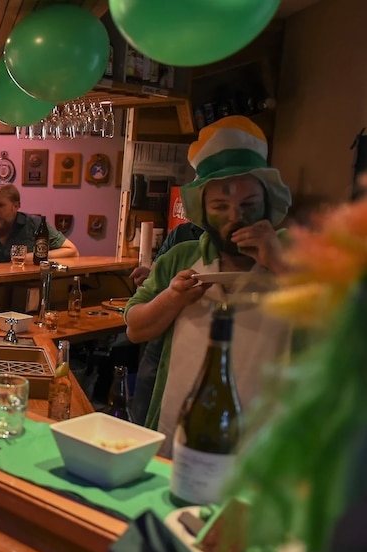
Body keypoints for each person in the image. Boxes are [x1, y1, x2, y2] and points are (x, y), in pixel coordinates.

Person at [124, 116, 293, 457]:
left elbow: (341, 325)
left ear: (267, 204)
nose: (235, 217)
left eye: (248, 206)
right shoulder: (182, 256)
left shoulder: (301, 255)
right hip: (177, 424)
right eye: (220, 207)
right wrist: (172, 298)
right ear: (203, 210)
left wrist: (278, 262)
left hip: (268, 438)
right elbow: (135, 328)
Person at [127, 222, 204, 425]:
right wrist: (154, 278)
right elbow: (133, 326)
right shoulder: (182, 242)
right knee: (142, 422)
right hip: (161, 346)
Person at [0, 182, 79, 264]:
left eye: (0, 205)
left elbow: (72, 251)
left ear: (16, 206)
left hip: (25, 286)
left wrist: (30, 258)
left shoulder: (35, 225)